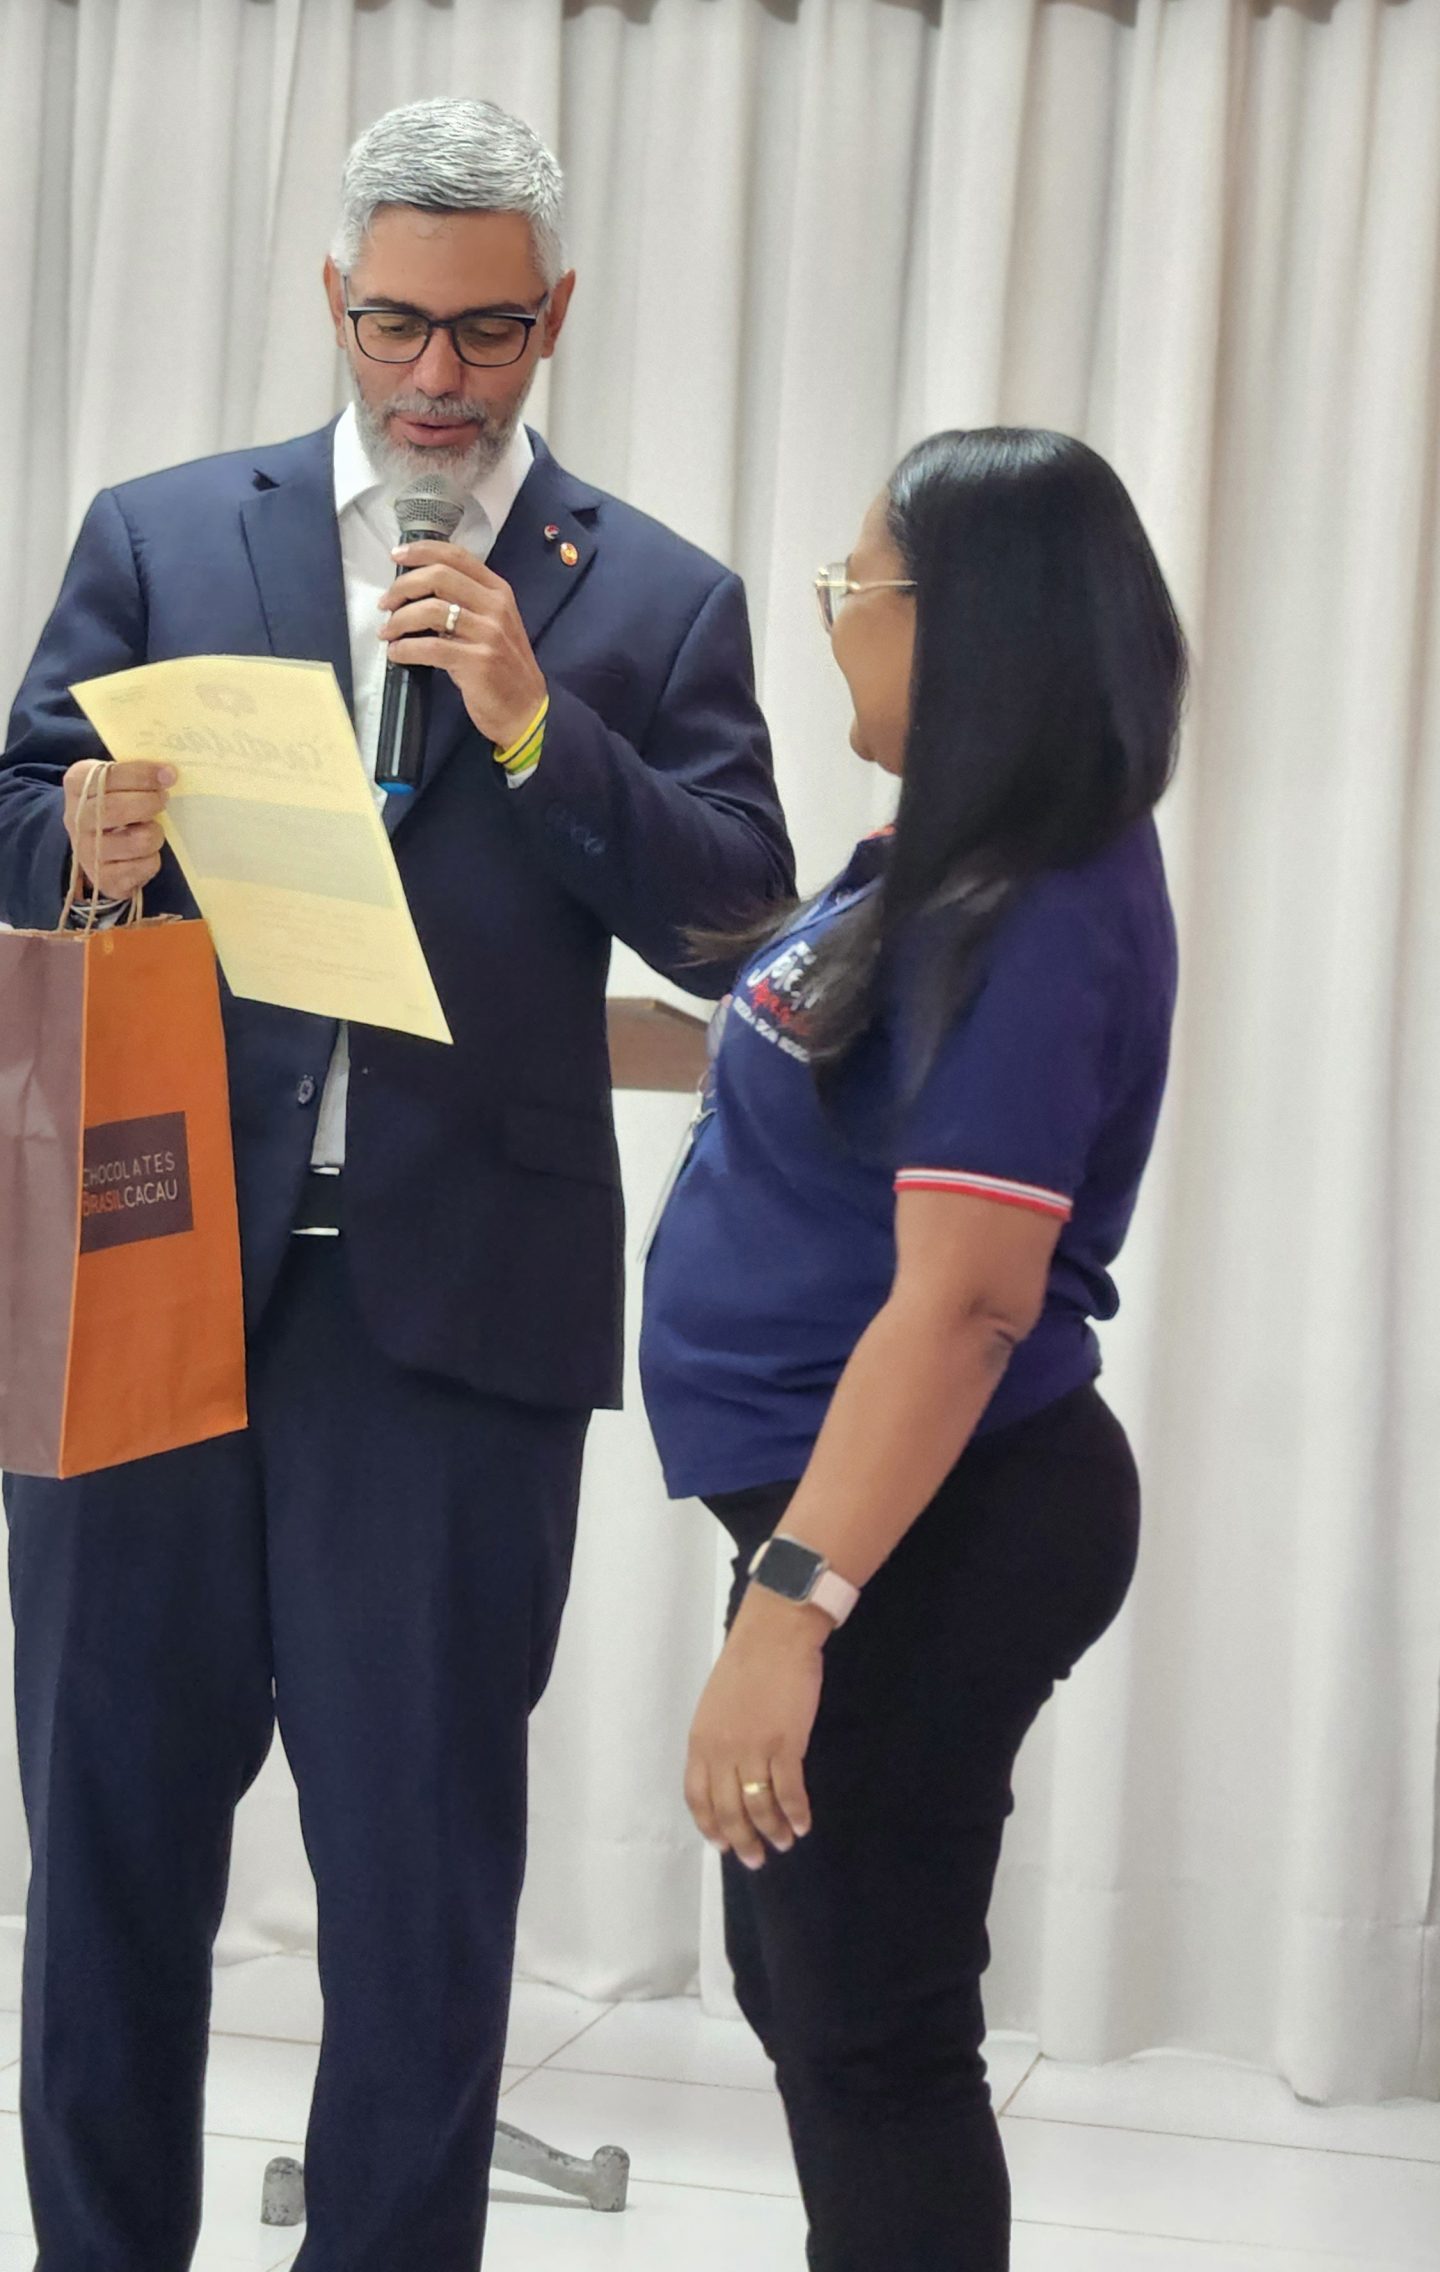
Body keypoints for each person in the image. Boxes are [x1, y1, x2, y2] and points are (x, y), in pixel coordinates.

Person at [0, 97, 792, 2272]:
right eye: (398, 327)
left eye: (488, 334)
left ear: (558, 315)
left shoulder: (653, 597)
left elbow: (736, 918)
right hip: (150, 1289)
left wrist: (541, 726)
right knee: (106, 1859)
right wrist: (79, 837)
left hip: (449, 1327)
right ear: (335, 300)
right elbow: (15, 807)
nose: (439, 379)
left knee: (422, 1892)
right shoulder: (169, 533)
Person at [640, 427, 1185, 2270]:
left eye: (848, 589)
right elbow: (804, 1059)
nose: (831, 626)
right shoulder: (942, 866)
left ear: (966, 623)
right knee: (809, 1985)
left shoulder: (1038, 902)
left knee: (873, 2034)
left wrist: (792, 1612)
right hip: (870, 1519)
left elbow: (966, 1302)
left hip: (932, 1524)